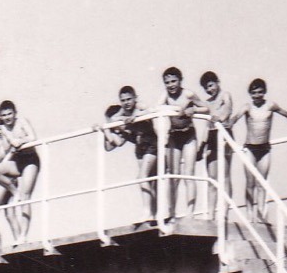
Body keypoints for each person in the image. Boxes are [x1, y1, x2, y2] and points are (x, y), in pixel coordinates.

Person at [227, 78, 287, 226]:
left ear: (264, 92)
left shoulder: (270, 105)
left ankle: (261, 215)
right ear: (250, 94)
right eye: (254, 93)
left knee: (262, 184)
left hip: (265, 149)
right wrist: (228, 125)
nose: (257, 96)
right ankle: (250, 216)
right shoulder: (247, 107)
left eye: (260, 92)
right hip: (250, 148)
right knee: (250, 183)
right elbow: (235, 118)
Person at [99, 87, 159, 224]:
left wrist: (136, 116)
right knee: (147, 180)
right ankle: (151, 213)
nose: (126, 103)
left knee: (143, 177)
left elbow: (151, 110)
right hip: (140, 148)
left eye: (129, 99)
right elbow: (116, 143)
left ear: (135, 98)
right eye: (123, 100)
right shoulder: (121, 116)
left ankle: (149, 212)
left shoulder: (139, 107)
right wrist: (105, 130)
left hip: (151, 144)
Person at [0, 100, 40, 244]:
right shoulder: (4, 129)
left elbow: (33, 137)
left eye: (9, 114)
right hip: (18, 161)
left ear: (15, 113)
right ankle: (14, 191)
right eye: (4, 115)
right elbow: (5, 151)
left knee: (26, 196)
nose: (7, 117)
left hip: (30, 159)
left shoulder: (22, 121)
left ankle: (23, 235)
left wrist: (20, 140)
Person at [158, 67, 200, 220]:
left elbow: (205, 108)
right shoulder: (165, 96)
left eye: (174, 81)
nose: (171, 85)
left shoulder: (188, 94)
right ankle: (172, 213)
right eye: (167, 82)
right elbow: (155, 109)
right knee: (173, 176)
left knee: (189, 175)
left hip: (189, 134)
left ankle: (190, 213)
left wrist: (193, 110)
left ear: (180, 80)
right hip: (174, 136)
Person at [191, 71, 235, 208]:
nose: (210, 90)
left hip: (224, 134)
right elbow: (206, 126)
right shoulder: (207, 103)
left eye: (211, 85)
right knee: (212, 178)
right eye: (206, 88)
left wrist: (220, 118)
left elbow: (228, 108)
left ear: (217, 82)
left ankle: (225, 213)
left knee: (225, 176)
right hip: (211, 138)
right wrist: (200, 147)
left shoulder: (225, 95)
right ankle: (211, 215)